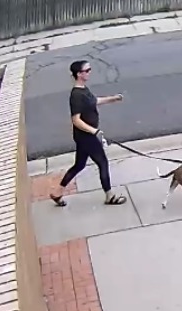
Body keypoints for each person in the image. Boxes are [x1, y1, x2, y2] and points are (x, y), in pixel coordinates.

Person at [49, 60, 127, 207]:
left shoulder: (83, 90)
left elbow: (93, 101)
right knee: (102, 162)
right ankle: (109, 196)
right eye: (87, 70)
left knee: (79, 165)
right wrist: (94, 131)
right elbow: (76, 120)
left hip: (84, 137)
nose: (90, 72)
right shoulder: (76, 95)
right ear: (79, 74)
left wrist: (113, 98)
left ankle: (58, 193)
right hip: (86, 137)